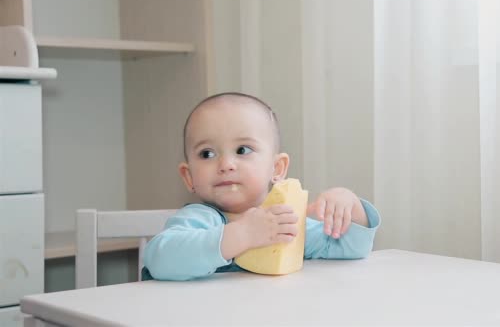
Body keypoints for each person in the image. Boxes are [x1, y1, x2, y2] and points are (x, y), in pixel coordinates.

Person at [143, 92, 381, 280]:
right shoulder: (198, 220)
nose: (226, 164)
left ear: (277, 168)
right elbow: (160, 260)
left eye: (242, 150)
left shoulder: (283, 221)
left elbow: (351, 248)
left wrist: (349, 206)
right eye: (207, 153)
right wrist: (242, 234)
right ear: (188, 176)